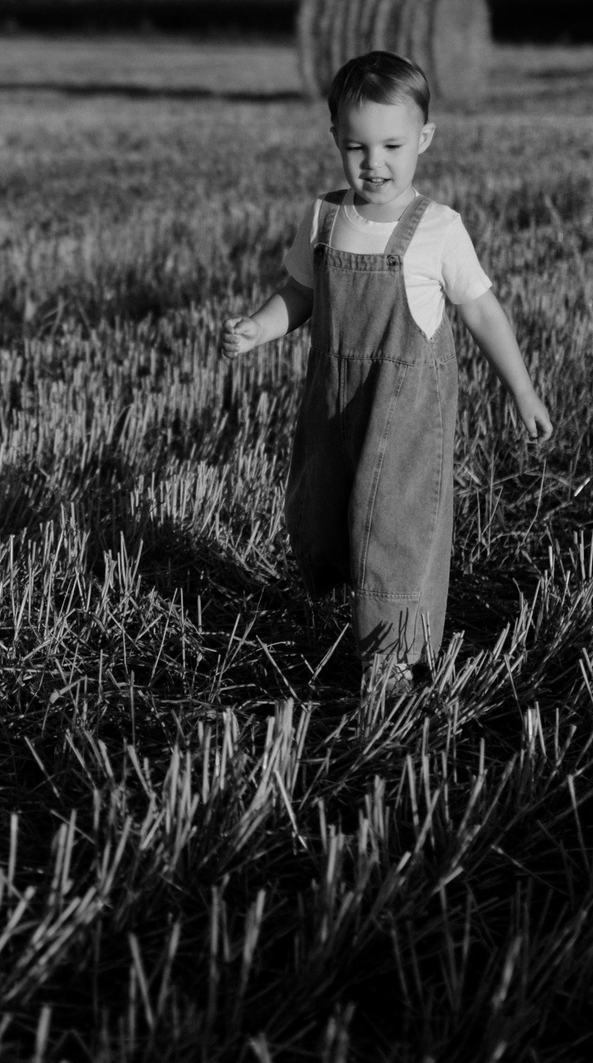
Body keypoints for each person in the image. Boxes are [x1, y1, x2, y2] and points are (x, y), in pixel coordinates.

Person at [220, 49, 551, 687]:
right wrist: (258, 327)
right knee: (326, 507)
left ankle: (393, 656)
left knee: (396, 521)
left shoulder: (438, 228)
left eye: (393, 146)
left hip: (407, 405)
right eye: (357, 147)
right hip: (333, 397)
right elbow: (300, 293)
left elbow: (482, 312)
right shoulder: (324, 216)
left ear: (424, 139)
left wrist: (522, 390)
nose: (375, 163)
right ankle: (346, 604)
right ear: (335, 140)